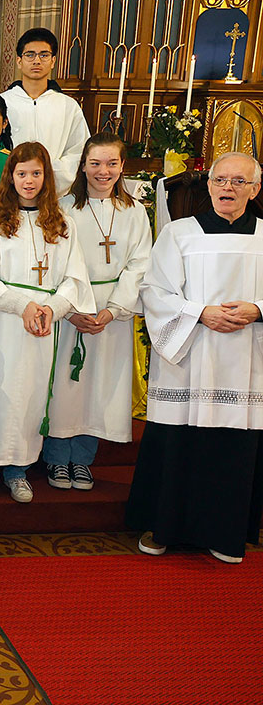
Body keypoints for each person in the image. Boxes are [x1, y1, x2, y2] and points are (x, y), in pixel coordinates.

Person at [127, 152, 263, 564]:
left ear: (256, 189)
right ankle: (163, 527)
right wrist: (199, 312)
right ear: (208, 185)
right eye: (221, 180)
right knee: (176, 442)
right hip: (189, 353)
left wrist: (257, 308)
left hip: (246, 359)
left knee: (232, 447)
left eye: (240, 182)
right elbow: (155, 290)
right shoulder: (180, 234)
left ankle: (225, 534)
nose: (228, 188)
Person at [0, 142, 93, 505]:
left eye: (36, 173)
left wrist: (54, 309)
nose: (28, 181)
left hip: (40, 326)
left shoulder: (63, 225)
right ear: (10, 177)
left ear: (46, 177)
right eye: (21, 173)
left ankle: (18, 471)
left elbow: (75, 279)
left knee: (28, 398)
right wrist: (23, 305)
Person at [47, 133, 151, 490]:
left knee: (100, 384)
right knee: (67, 382)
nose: (103, 171)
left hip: (112, 311)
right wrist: (72, 309)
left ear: (122, 167)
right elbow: (55, 261)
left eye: (111, 163)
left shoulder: (134, 211)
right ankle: (58, 458)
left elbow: (139, 263)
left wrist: (114, 309)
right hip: (72, 305)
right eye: (95, 163)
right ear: (83, 165)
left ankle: (83, 459)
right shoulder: (63, 208)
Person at [4, 28, 90, 191]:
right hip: (9, 189)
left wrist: (50, 174)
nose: (37, 61)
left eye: (44, 55)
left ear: (53, 61)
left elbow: (78, 150)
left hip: (54, 191)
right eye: (30, 55)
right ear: (19, 61)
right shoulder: (3, 102)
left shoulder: (68, 106)